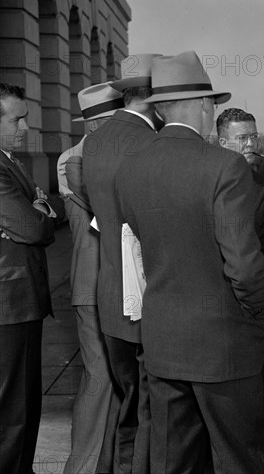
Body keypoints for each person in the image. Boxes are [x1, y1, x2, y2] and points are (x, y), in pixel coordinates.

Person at [115, 51, 264, 474]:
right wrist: (255, 312)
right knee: (239, 460)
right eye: (212, 105)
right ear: (203, 105)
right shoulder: (225, 166)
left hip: (163, 342)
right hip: (224, 343)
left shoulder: (130, 168)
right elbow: (243, 263)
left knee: (174, 461)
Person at [82, 54, 162, 473]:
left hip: (112, 293)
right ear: (155, 98)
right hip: (148, 297)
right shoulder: (152, 143)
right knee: (150, 407)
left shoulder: (95, 140)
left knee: (128, 400)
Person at [57, 82, 123, 474]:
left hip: (114, 284)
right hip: (93, 286)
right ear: (98, 125)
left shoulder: (104, 154)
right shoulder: (75, 161)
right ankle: (80, 468)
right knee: (99, 378)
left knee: (117, 379)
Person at [0, 82, 57, 474]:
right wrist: (38, 211)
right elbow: (34, 228)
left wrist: (39, 210)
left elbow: (37, 218)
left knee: (21, 402)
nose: (25, 127)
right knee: (14, 407)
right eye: (16, 118)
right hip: (10, 303)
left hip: (19, 301)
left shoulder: (10, 161)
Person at [216, 107, 264, 408]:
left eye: (253, 137)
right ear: (223, 143)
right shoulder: (207, 185)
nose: (250, 145)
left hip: (258, 298)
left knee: (256, 371)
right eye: (242, 138)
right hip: (217, 299)